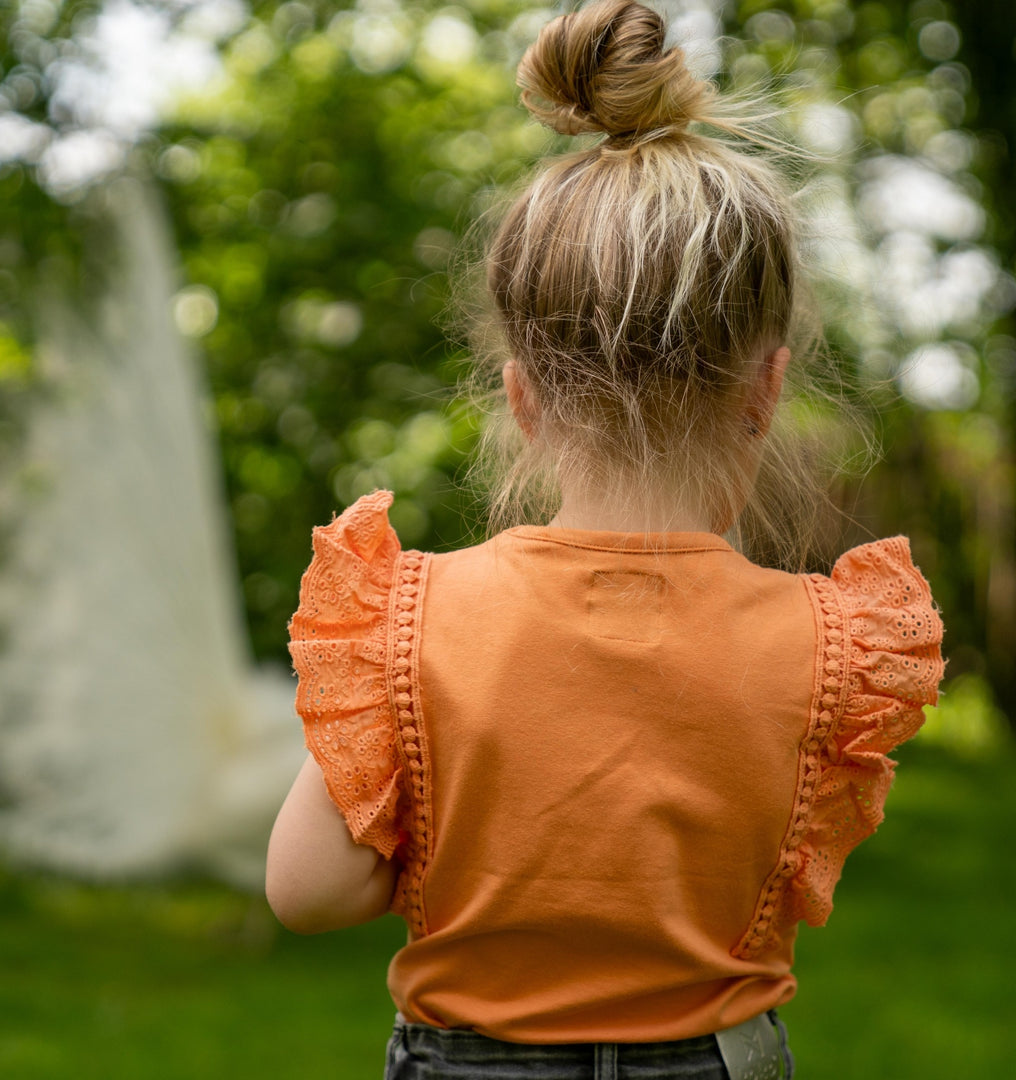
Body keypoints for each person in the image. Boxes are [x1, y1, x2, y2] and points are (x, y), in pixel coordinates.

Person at [265, 2, 945, 1077]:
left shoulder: (411, 623)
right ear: (766, 388)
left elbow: (307, 892)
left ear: (522, 397)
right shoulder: (829, 644)